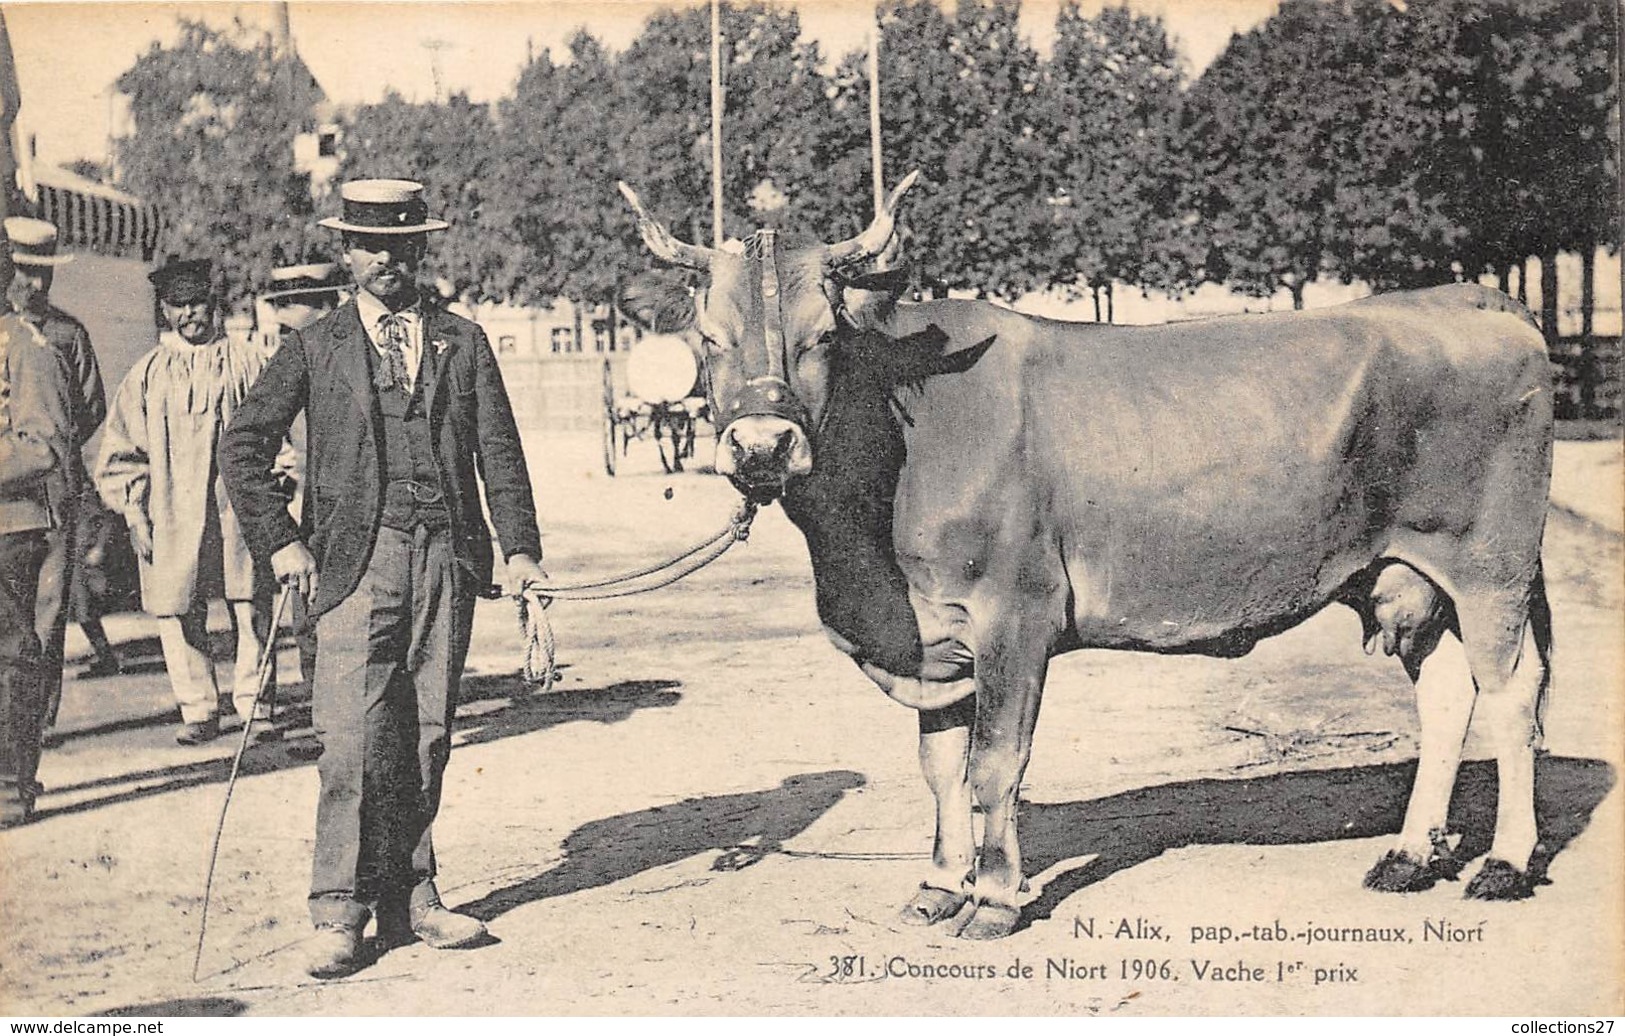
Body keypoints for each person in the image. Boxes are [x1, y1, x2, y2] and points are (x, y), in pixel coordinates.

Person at [221, 179, 545, 979]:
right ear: (347, 253)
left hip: (445, 557)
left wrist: (521, 550)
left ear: (420, 249)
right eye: (370, 245)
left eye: (400, 245)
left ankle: (415, 899)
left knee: (428, 731)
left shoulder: (460, 341)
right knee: (351, 740)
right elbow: (242, 448)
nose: (385, 259)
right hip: (352, 566)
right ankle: (338, 909)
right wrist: (282, 544)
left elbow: (498, 456)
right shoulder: (313, 346)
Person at [95, 258, 278, 746]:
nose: (191, 314)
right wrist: (134, 512)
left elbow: (278, 433)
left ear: (213, 304)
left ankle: (255, 704)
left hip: (238, 504)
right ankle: (198, 708)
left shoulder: (247, 360)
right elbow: (123, 449)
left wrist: (280, 488)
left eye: (198, 302)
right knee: (178, 607)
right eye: (179, 306)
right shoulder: (148, 373)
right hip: (172, 506)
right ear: (164, 310)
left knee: (250, 603)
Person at [4, 217, 106, 727]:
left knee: (47, 612)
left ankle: (36, 723)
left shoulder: (68, 334)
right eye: (25, 271)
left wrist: (57, 451)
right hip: (8, 493)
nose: (35, 285)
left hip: (54, 498)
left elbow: (91, 409)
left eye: (45, 274)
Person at [0, 238, 78, 828]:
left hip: (10, 527)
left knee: (12, 658)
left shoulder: (28, 348)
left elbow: (43, 445)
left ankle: (9, 781)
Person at [261, 260, 347, 693]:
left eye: (292, 304)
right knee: (307, 617)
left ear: (327, 306)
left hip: (352, 510)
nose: (280, 317)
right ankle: (322, 720)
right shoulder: (283, 359)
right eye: (278, 304)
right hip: (305, 508)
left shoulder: (352, 360)